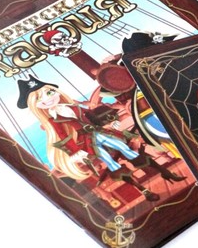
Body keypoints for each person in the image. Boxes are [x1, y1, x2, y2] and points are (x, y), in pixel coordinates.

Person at [18, 77, 183, 198]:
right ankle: (144, 190)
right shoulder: (53, 120)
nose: (48, 98)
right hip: (88, 142)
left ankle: (165, 172)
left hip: (100, 132)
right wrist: (75, 152)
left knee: (127, 148)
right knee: (110, 162)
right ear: (35, 105)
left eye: (49, 92)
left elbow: (92, 114)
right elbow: (62, 136)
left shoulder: (73, 107)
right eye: (40, 98)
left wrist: (113, 120)